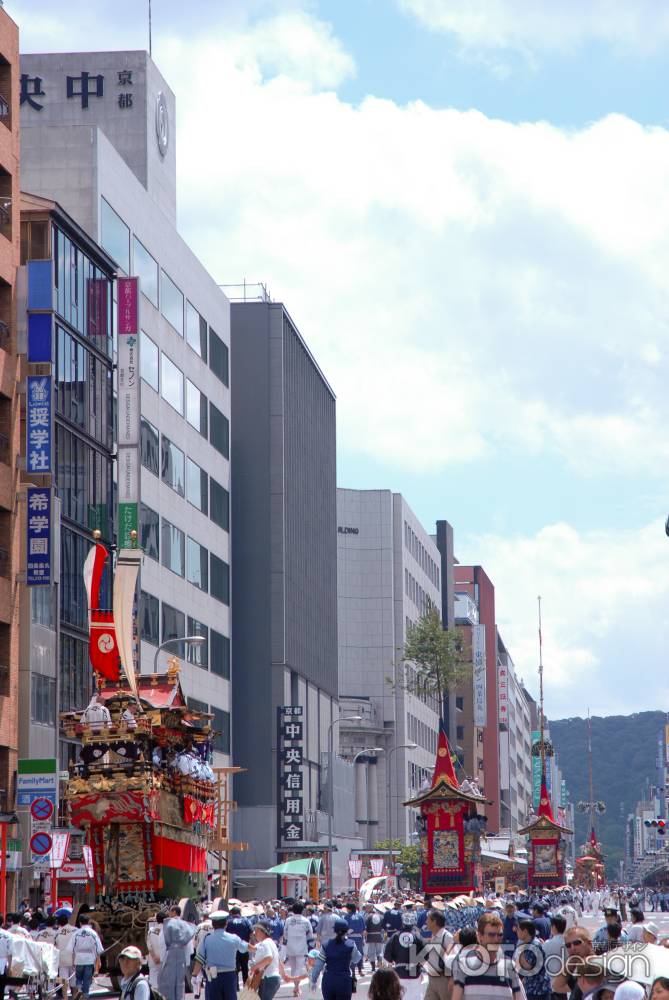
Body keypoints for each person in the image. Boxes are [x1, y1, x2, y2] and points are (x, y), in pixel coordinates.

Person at [451, 912, 522, 1000]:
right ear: (480, 936)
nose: (496, 939)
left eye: (499, 935)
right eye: (491, 935)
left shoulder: (510, 966)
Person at [193, 911, 249, 1000]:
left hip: (213, 977)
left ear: (213, 924)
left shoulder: (206, 939)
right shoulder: (233, 938)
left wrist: (194, 975)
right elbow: (245, 947)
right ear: (226, 923)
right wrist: (259, 947)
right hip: (229, 976)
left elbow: (199, 959)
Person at [383, 910, 426, 1000]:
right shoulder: (417, 936)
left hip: (399, 971)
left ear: (402, 922)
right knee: (416, 996)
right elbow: (425, 956)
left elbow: (387, 957)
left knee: (401, 996)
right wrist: (419, 966)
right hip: (415, 971)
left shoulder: (395, 936)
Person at [316, 918, 360, 1000]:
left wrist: (313, 979)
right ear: (347, 931)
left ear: (334, 930)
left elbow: (318, 965)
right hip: (344, 980)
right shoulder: (351, 944)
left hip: (328, 979)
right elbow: (357, 958)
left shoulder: (326, 945)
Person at [159, 906, 197, 1000]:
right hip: (182, 958)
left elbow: (162, 944)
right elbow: (190, 947)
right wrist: (187, 960)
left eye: (170, 911)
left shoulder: (168, 924)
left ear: (174, 912)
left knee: (168, 985)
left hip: (169, 956)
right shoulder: (186, 925)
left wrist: (162, 958)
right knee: (180, 985)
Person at [283, 902, 314, 997]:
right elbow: (310, 935)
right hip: (301, 947)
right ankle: (296, 987)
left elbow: (285, 934)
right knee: (299, 968)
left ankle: (296, 987)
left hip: (290, 946)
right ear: (302, 910)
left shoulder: (288, 920)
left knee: (293, 968)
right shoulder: (306, 920)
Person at [424, 908, 454, 1000]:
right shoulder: (433, 935)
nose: (426, 922)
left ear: (434, 922)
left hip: (443, 979)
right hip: (432, 978)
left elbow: (453, 960)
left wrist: (450, 979)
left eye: (428, 920)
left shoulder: (447, 937)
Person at [71, 914, 103, 999]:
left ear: (80, 923)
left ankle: (79, 988)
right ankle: (85, 995)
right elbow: (98, 947)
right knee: (87, 978)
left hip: (79, 958)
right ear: (88, 922)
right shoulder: (93, 933)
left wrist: (73, 958)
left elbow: (70, 947)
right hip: (89, 959)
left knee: (78, 976)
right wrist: (98, 957)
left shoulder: (76, 933)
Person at [517, 919, 550, 1000]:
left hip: (537, 990)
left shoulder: (532, 946)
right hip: (537, 988)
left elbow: (527, 967)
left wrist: (519, 953)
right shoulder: (533, 943)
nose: (516, 932)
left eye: (518, 930)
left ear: (524, 931)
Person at [249, 921, 281, 1000]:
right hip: (270, 978)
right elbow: (253, 948)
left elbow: (268, 958)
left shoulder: (265, 943)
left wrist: (254, 967)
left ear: (263, 932)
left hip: (268, 978)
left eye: (256, 930)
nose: (254, 932)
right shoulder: (267, 943)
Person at [542, 915, 567, 1000]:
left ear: (554, 927)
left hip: (551, 984)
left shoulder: (548, 943)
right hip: (564, 984)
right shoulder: (568, 944)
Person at [226, 907, 253, 987]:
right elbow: (251, 933)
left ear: (232, 913)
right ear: (239, 913)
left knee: (235, 968)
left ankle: (236, 986)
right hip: (244, 947)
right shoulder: (246, 921)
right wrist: (252, 944)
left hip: (232, 948)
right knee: (245, 967)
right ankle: (246, 985)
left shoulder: (229, 922)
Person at [54, 913, 77, 1000]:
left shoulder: (57, 932)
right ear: (67, 921)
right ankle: (74, 996)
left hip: (62, 959)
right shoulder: (75, 930)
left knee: (63, 980)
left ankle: (65, 997)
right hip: (73, 958)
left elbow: (55, 945)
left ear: (59, 923)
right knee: (74, 980)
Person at [146, 911, 167, 989]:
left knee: (154, 982)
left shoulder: (151, 931)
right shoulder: (167, 931)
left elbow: (149, 946)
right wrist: (161, 956)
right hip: (165, 959)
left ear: (156, 920)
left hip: (153, 960)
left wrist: (154, 957)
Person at [344, 904, 365, 976]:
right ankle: (359, 970)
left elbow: (344, 928)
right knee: (359, 954)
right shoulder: (360, 916)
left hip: (350, 938)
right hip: (359, 937)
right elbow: (363, 929)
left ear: (349, 909)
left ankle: (352, 971)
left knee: (351, 955)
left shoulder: (347, 917)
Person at [364, 905, 385, 973]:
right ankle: (379, 961)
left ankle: (373, 968)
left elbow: (366, 928)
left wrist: (365, 937)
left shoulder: (369, 917)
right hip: (379, 935)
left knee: (371, 952)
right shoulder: (381, 917)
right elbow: (383, 927)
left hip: (371, 936)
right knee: (379, 951)